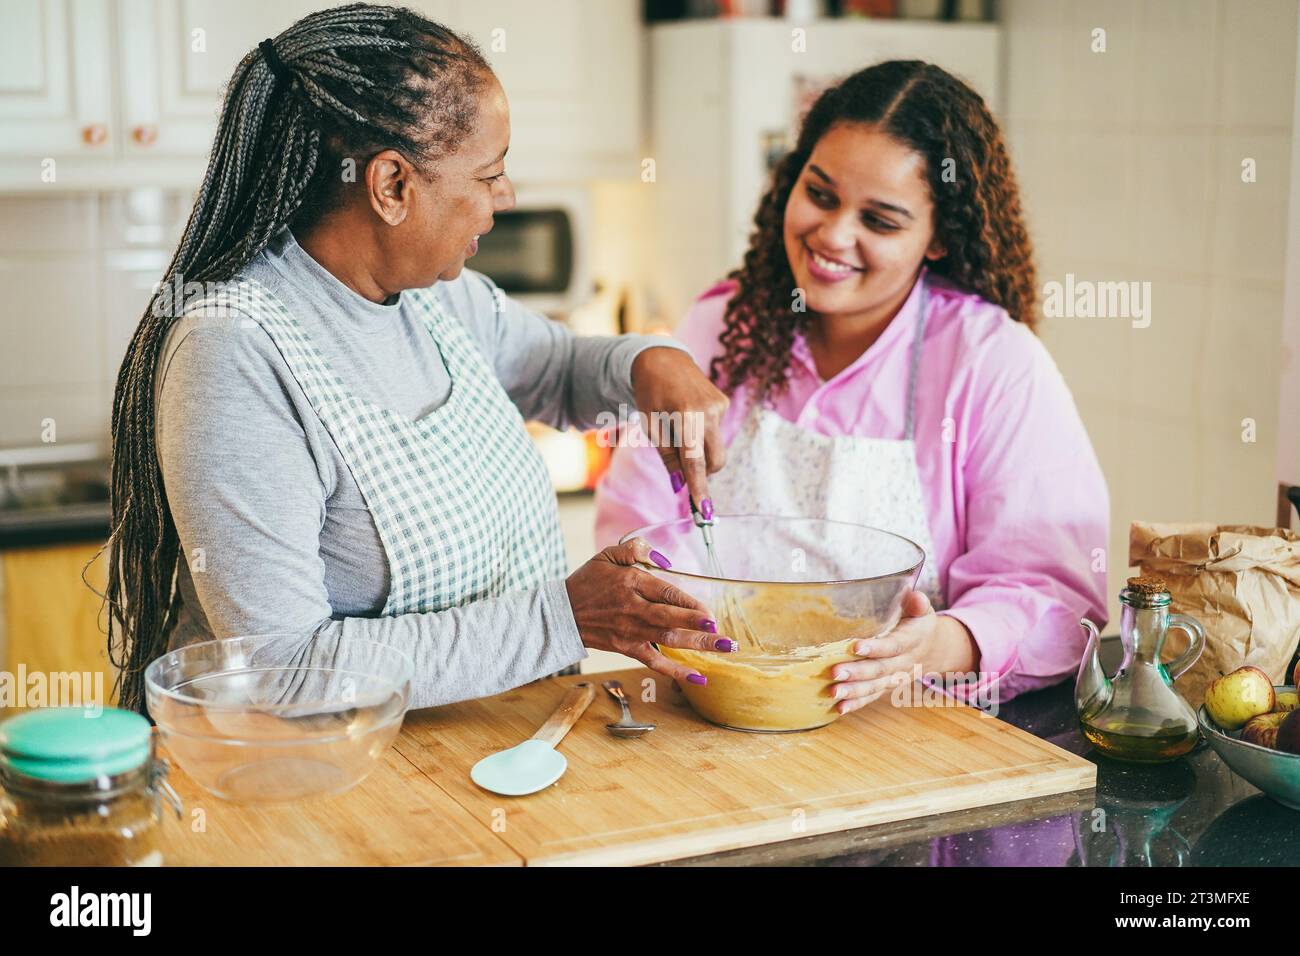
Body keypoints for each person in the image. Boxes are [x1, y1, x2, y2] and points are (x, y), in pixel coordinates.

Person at [106, 4, 732, 714]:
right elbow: (281, 668)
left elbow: (558, 371)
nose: (505, 197)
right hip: (309, 784)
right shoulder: (234, 350)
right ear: (392, 186)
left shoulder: (437, 298)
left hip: (474, 756)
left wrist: (651, 362)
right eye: (488, 175)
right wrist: (562, 617)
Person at [595, 60, 1110, 712]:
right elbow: (635, 522)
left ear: (940, 239)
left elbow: (1056, 601)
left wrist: (938, 643)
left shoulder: (993, 363)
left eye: (882, 221)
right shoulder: (718, 325)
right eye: (821, 194)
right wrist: (670, 610)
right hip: (713, 715)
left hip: (910, 734)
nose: (834, 235)